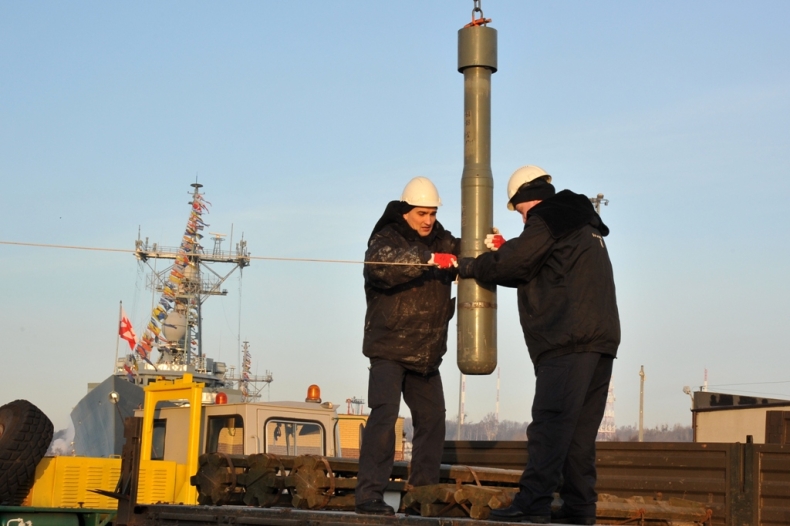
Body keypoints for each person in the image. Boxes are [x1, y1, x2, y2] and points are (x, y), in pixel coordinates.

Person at [457, 165, 620, 525]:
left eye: (518, 213)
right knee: (578, 436)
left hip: (567, 339)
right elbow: (534, 266)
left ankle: (532, 504)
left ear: (524, 201)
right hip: (600, 342)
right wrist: (507, 251)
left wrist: (470, 266)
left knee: (549, 425)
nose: (521, 220)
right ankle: (580, 511)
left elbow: (515, 262)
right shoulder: (579, 223)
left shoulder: (547, 218)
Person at [355, 176, 460, 516]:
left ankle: (421, 497)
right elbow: (381, 266)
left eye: (432, 213)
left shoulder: (444, 239)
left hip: (426, 354)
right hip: (389, 347)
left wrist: (492, 244)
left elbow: (470, 255)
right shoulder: (387, 236)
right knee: (384, 418)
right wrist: (427, 258)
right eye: (421, 213)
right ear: (406, 211)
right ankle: (369, 495)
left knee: (433, 419)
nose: (428, 220)